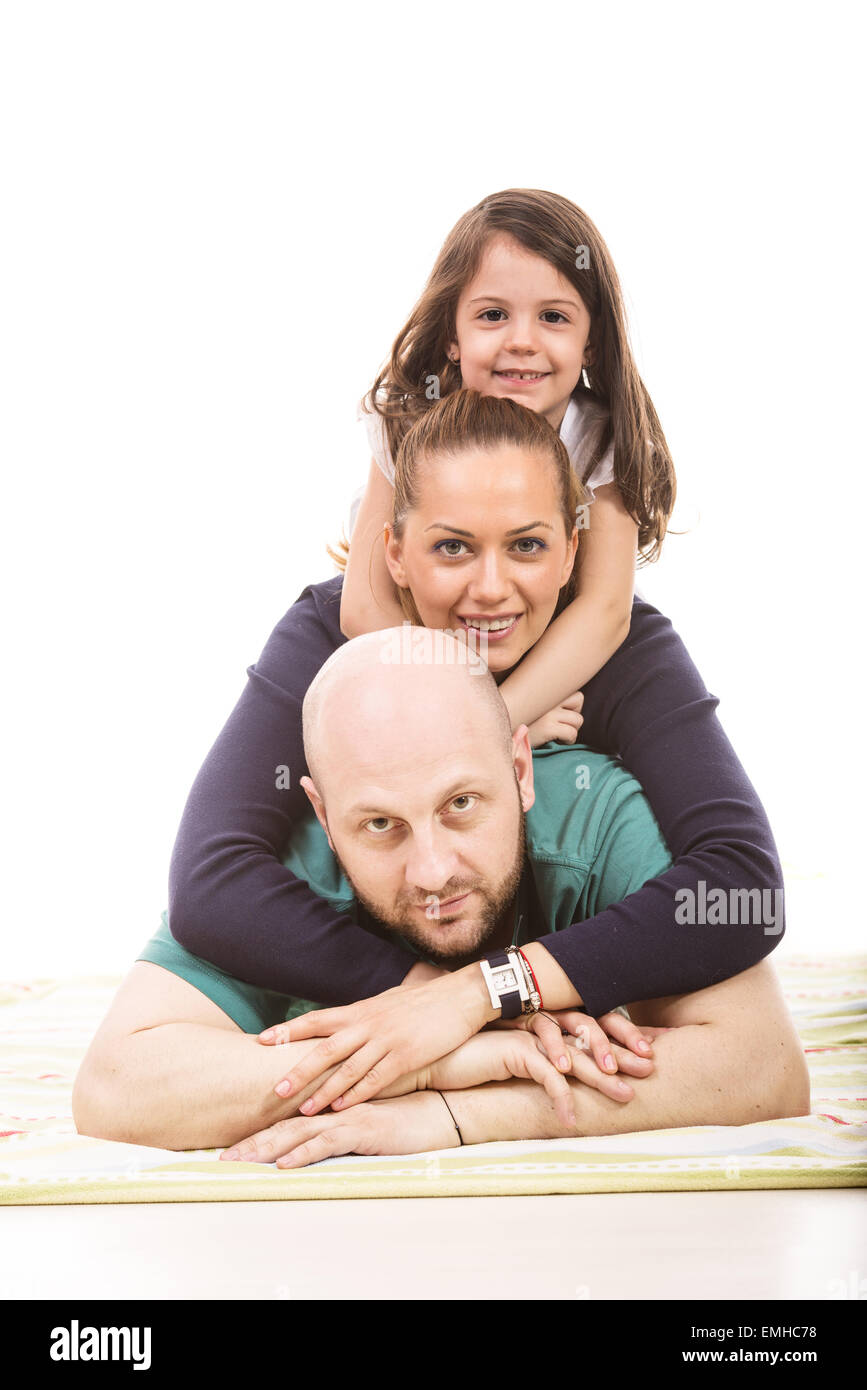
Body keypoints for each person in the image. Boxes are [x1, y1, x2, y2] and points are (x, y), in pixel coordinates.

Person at [166, 391, 787, 1085]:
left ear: (568, 552)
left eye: (526, 545)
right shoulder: (327, 640)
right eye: (452, 547)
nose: (489, 589)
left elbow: (742, 886)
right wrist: (427, 1000)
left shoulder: (626, 651)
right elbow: (209, 882)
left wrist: (487, 991)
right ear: (395, 556)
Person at [72, 632, 809, 1165]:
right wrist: (427, 1060)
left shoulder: (595, 816)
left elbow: (761, 1068)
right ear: (325, 818)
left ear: (521, 769)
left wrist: (454, 1113)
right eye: (380, 826)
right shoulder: (280, 873)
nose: (431, 871)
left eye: (461, 804)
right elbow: (116, 1087)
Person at [340, 186, 676, 738]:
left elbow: (603, 611)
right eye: (494, 315)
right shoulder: (405, 418)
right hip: (419, 634)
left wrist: (499, 717)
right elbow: (366, 609)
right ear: (452, 335)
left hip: (540, 631)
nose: (522, 341)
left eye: (553, 317)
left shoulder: (597, 436)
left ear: (592, 342)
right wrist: (482, 714)